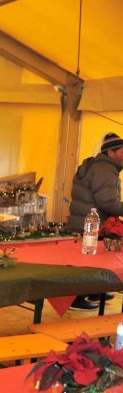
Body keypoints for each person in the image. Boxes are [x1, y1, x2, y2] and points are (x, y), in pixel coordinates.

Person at [67, 132, 123, 310]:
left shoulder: (94, 164)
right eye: (122, 151)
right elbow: (107, 202)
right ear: (111, 152)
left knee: (90, 261)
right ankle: (76, 299)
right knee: (89, 263)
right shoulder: (105, 169)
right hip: (94, 222)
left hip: (83, 219)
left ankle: (94, 291)